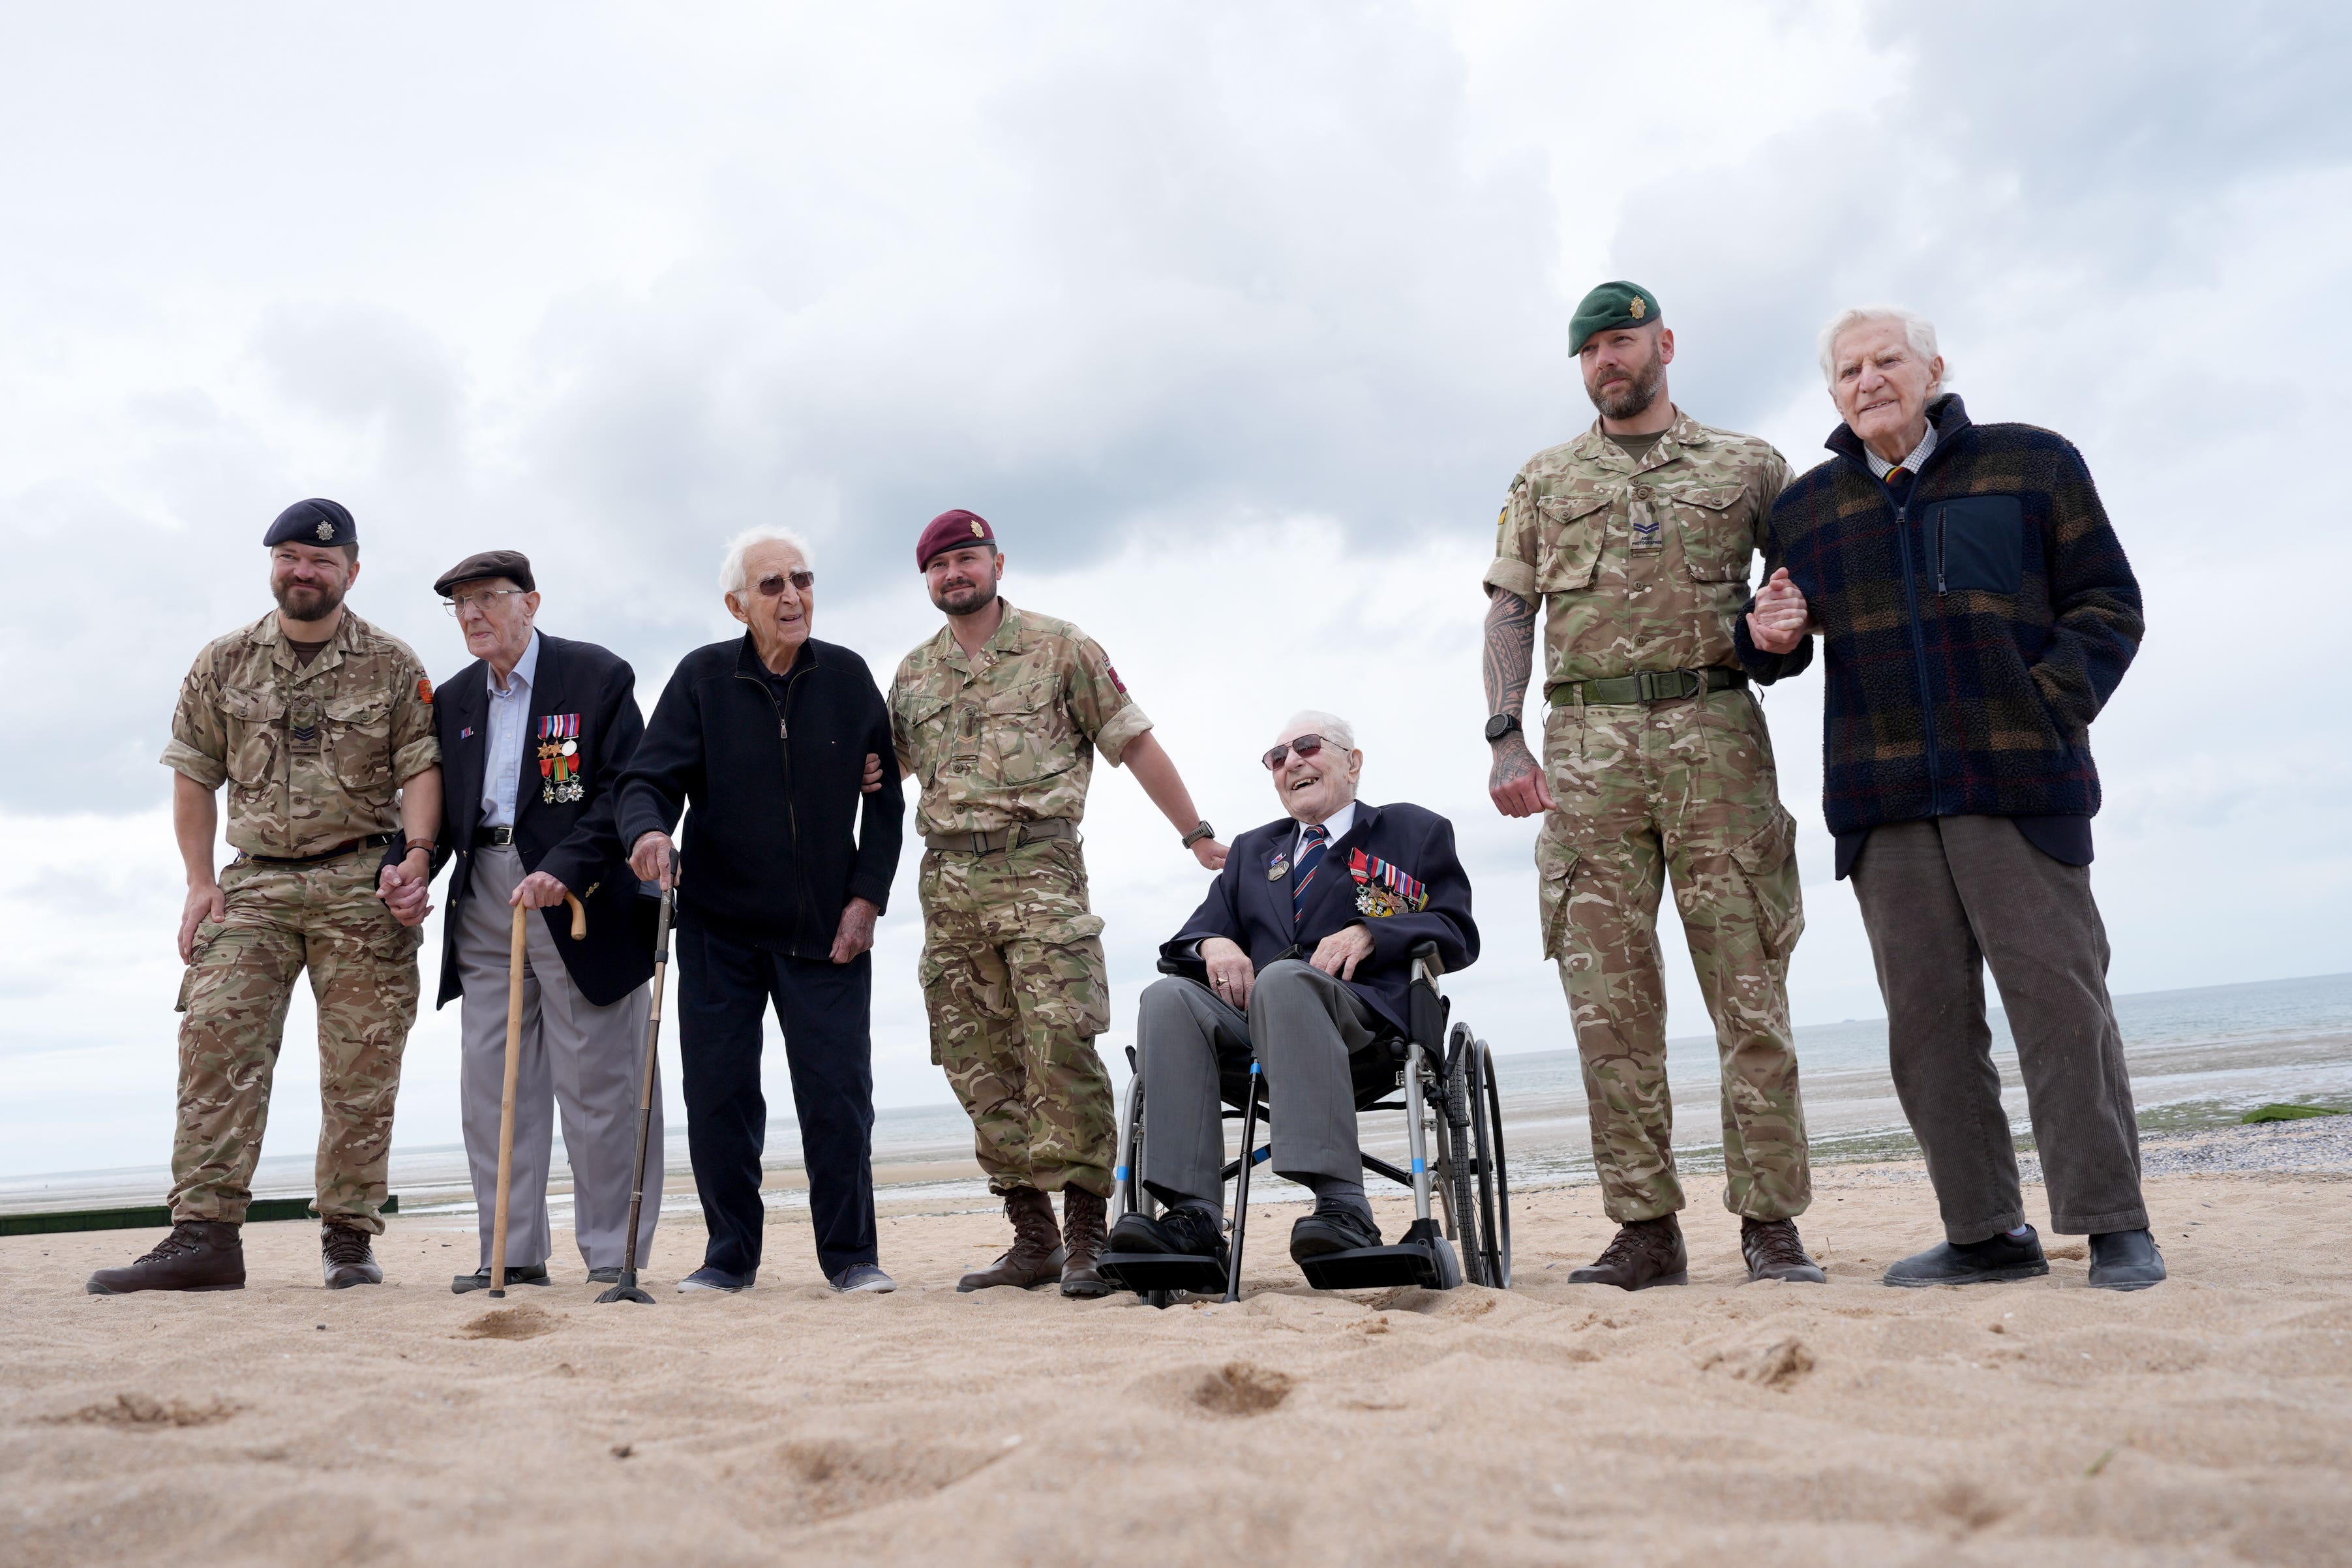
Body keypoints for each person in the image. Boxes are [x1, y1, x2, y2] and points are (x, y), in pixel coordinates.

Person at [1739, 307, 2163, 1291]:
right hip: (1882, 807)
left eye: (1887, 359)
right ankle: (1984, 1234)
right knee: (1926, 1031)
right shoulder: (1804, 511)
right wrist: (1764, 631)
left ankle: (2111, 1225)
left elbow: (2109, 604)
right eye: (1848, 369)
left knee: (2060, 1011)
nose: (1869, 378)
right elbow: (1780, 641)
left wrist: (2046, 704)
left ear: (1934, 368)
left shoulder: (2033, 464)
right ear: (1832, 393)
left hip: (2020, 786)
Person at [1481, 280, 1824, 1291]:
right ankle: (1644, 1228)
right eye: (1589, 351)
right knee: (1608, 1005)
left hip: (1715, 736)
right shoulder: (1544, 478)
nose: (1606, 362)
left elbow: (1796, 606)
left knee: (1748, 990)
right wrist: (1506, 739)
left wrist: (1784, 633)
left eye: (1622, 341)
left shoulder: (1749, 465)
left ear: (1662, 343)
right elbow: (1509, 615)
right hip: (1585, 750)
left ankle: (1770, 1224)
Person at [88, 500, 442, 1295]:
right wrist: (199, 883)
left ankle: (348, 1236)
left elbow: (422, 765)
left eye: (321, 560)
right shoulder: (223, 661)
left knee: (363, 1059)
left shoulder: (390, 663)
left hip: (361, 880)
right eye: (288, 556)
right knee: (215, 1037)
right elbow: (193, 772)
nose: (303, 571)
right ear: (272, 564)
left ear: (352, 569)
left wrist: (417, 857)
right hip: (255, 882)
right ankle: (205, 1235)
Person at [889, 509, 1226, 1297]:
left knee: (1062, 1048)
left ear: (998, 563)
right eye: (939, 568)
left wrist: (1197, 835)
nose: (954, 576)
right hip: (948, 888)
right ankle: (1031, 1237)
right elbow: (881, 777)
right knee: (978, 1062)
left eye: (967, 559)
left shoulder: (1061, 647)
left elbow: (1133, 741)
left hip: (1040, 871)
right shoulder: (912, 675)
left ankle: (1086, 1238)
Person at [616, 528, 903, 1295]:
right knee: (719, 1098)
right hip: (718, 929)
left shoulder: (847, 676)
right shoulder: (702, 678)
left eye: (802, 579)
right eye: (772, 584)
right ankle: (729, 1258)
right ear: (737, 603)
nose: (791, 596)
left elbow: (887, 804)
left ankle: (851, 1258)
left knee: (839, 1098)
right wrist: (646, 833)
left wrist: (867, 899)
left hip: (827, 934)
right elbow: (648, 780)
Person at [377, 550, 661, 1293]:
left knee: (600, 1080)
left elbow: (624, 791)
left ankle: (612, 1255)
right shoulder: (454, 700)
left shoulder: (596, 675)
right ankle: (509, 1252)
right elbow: (439, 811)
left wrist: (563, 867)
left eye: (487, 600)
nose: (473, 616)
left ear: (531, 602)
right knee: (494, 1087)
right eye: (460, 605)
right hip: (485, 899)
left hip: (580, 897)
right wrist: (411, 865)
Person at [1108, 712, 1477, 1276]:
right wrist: (1212, 945)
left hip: (1364, 1023)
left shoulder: (1412, 830)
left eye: (1306, 747)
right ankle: (1194, 1217)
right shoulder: (1257, 851)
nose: (1292, 762)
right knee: (1165, 998)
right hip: (1253, 1031)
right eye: (1277, 758)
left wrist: (1375, 932)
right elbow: (1188, 937)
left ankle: (1343, 1205)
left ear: (1352, 762)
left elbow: (1457, 932)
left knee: (1282, 979)